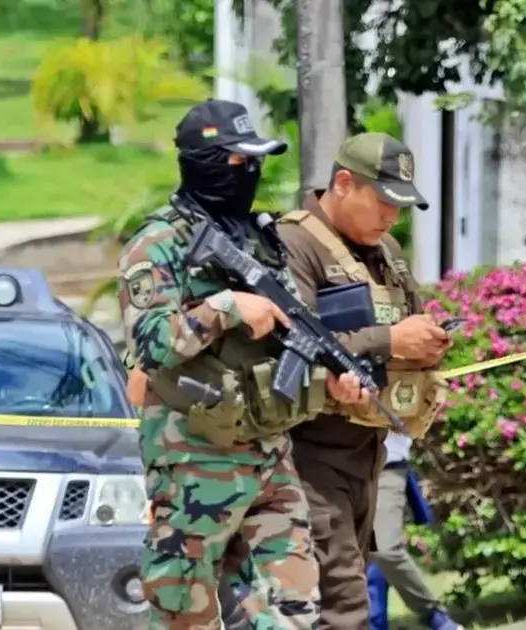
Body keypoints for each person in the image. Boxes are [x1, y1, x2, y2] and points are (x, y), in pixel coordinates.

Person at [119, 98, 371, 629]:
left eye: (253, 161)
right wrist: (229, 307)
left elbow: (281, 341)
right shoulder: (158, 244)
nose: (249, 173)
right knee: (181, 608)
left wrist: (330, 383)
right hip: (193, 456)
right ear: (204, 163)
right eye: (237, 162)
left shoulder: (259, 236)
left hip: (268, 454)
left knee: (293, 607)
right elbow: (152, 343)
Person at [277, 131, 451, 630]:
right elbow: (295, 344)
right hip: (308, 449)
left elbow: (410, 317)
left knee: (348, 582)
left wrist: (428, 340)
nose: (392, 216)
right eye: (383, 202)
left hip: (370, 447)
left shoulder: (386, 249)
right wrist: (390, 341)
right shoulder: (296, 243)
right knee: (342, 600)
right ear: (344, 183)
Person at [368, 433, 463, 630]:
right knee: (351, 555)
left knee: (383, 548)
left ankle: (434, 614)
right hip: (331, 464)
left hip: (385, 463)